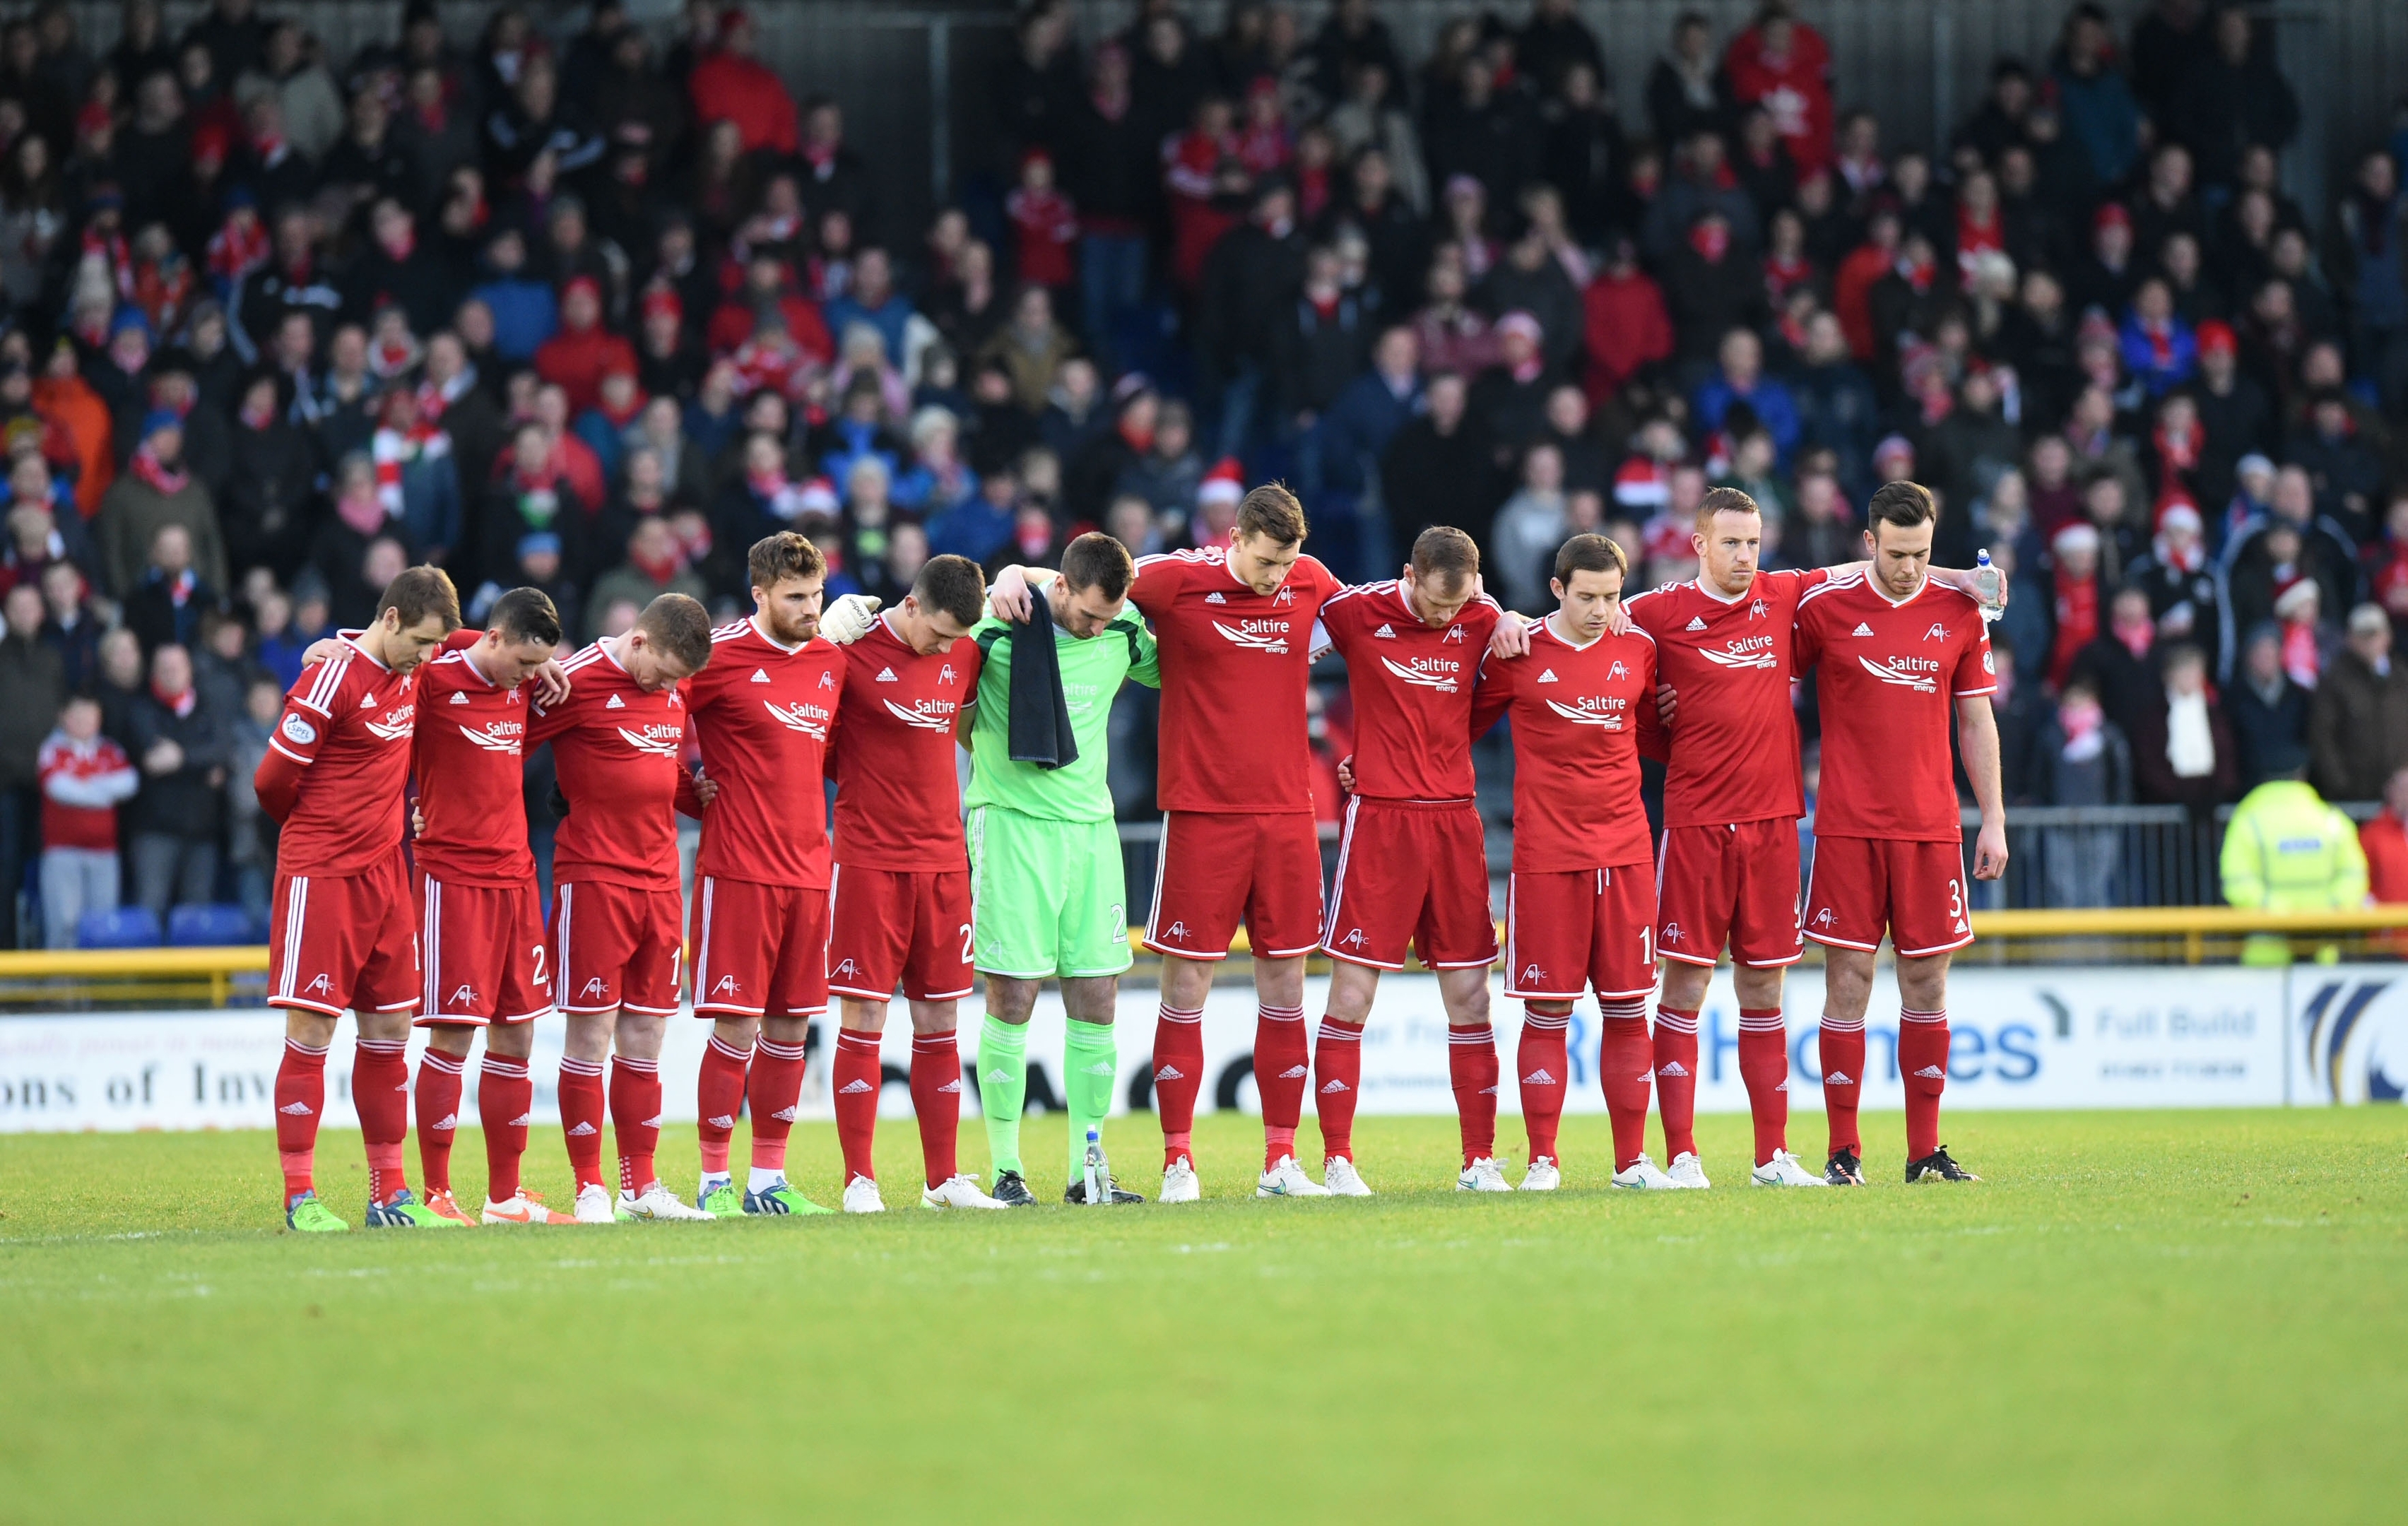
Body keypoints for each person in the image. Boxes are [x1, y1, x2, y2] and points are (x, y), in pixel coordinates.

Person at [1610, 485, 1997, 1187]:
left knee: (1770, 989)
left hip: (1780, 824)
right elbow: (1588, 619)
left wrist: (1963, 580)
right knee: (1689, 984)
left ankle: (1780, 1157)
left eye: (1753, 541)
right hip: (1709, 824)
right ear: (1698, 543)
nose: (1744, 554)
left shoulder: (1787, 595)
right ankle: (1688, 1155)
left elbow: (1881, 571)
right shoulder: (1661, 611)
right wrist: (1514, 621)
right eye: (1730, 542)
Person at [992, 483, 1345, 1201]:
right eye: (1267, 561)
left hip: (1287, 816)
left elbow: (1374, 620)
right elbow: (1085, 574)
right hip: (1202, 815)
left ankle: (1282, 1161)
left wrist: (1495, 618)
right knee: (1185, 987)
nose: (1278, 576)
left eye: (1288, 563)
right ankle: (1178, 1161)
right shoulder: (1177, 578)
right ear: (1235, 539)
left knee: (1286, 988)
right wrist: (1008, 576)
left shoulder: (1310, 580)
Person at [1793, 482, 2006, 1185]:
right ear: (1868, 544)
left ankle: (1925, 1152)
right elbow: (1766, 669)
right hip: (1848, 828)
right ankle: (1843, 1152)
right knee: (1847, 981)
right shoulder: (1824, 610)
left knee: (1926, 981)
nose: (1910, 567)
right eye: (1897, 553)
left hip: (1931, 828)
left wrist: (1993, 819)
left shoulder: (1962, 614)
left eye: (1922, 554)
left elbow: (1976, 721)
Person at [255, 567, 461, 1233]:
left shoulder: (411, 667)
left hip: (386, 875)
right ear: (393, 619)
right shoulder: (330, 676)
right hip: (322, 874)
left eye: (438, 648)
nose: (430, 659)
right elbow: (271, 782)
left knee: (391, 1030)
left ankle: (388, 1195)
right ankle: (299, 1197)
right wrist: (321, 828)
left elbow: (481, 645)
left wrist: (539, 660)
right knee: (313, 1030)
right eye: (424, 643)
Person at [961, 532, 1160, 1205]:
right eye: (1088, 615)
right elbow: (945, 700)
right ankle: (1006, 1169)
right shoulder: (997, 626)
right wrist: (1007, 573)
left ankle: (1088, 1172)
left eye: (1110, 616)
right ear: (1063, 589)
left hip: (1091, 832)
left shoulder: (1125, 628)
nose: (1099, 628)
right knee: (1012, 995)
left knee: (1098, 997)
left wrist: (1017, 566)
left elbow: (1194, 670)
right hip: (1013, 825)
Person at [1468, 533, 1665, 1190]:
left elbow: (1660, 735)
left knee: (1629, 1008)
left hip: (1628, 855)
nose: (1601, 609)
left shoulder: (1639, 649)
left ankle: (1633, 1161)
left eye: (1611, 597)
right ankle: (1544, 1160)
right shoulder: (1518, 651)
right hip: (1548, 857)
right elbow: (1454, 727)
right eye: (1587, 596)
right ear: (1556, 589)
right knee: (1548, 1012)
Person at [1312, 526, 1506, 1193]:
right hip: (1381, 821)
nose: (1445, 618)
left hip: (1455, 819)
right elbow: (1282, 633)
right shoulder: (1355, 611)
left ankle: (1479, 1161)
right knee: (1352, 992)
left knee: (1471, 997)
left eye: (1458, 607)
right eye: (1433, 606)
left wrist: (1503, 614)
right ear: (1408, 575)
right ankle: (1337, 1160)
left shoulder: (1484, 619)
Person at [681, 533, 859, 1217]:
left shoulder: (828, 661)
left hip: (810, 871)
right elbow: (655, 709)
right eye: (794, 598)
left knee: (791, 1030)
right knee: (737, 1031)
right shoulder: (719, 655)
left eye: (817, 595)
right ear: (759, 593)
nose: (811, 609)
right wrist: (679, 788)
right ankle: (714, 1181)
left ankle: (769, 1181)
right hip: (740, 873)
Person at [817, 554, 1000, 1210]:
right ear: (913, 604)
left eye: (958, 638)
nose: (948, 647)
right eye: (940, 632)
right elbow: (807, 726)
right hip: (868, 859)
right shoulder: (852, 650)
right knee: (864, 1014)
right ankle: (859, 1180)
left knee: (941, 1019)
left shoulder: (965, 655)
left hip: (946, 861)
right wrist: (821, 640)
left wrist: (1010, 579)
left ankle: (942, 1181)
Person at [529, 591, 716, 1224]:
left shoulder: (674, 686)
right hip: (595, 881)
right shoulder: (574, 680)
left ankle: (642, 1187)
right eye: (662, 673)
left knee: (647, 1035)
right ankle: (590, 1188)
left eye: (676, 682)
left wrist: (697, 793)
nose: (667, 688)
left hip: (662, 881)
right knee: (591, 1033)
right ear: (638, 642)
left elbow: (657, 771)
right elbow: (500, 742)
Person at [401, 587, 576, 1226]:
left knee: (518, 1031)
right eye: (524, 664)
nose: (533, 678)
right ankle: (435, 1193)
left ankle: (505, 1196)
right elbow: (387, 660)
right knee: (454, 1032)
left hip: (517, 877)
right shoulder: (434, 678)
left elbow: (575, 666)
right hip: (453, 877)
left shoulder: (526, 684)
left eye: (541, 666)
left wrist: (539, 670)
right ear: (492, 639)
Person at [2221, 769, 2368, 966]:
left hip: (2267, 952)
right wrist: (2326, 911)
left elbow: (2237, 882)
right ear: (2302, 778)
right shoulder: (2331, 819)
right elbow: (2354, 876)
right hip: (2322, 948)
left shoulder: (2248, 822)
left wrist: (2280, 914)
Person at [36, 694, 137, 950]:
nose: (83, 721)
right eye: (77, 715)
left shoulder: (110, 751)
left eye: (89, 715)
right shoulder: (52, 750)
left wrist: (85, 786)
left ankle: (97, 990)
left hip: (104, 854)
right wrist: (103, 792)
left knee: (103, 927)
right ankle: (62, 990)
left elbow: (129, 783)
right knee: (64, 924)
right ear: (63, 717)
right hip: (63, 853)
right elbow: (58, 788)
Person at [2308, 603, 2408, 803]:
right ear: (2350, 639)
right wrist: (2341, 785)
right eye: (2363, 636)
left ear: (2388, 637)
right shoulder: (2335, 680)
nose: (2370, 642)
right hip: (2354, 796)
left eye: (2375, 634)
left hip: (2400, 796)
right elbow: (2322, 735)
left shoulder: (2402, 677)